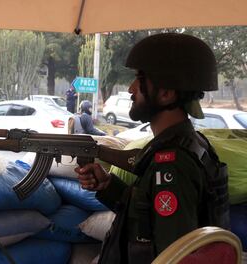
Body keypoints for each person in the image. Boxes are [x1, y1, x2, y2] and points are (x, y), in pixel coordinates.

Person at [76, 33, 229, 263]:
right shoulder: (191, 145)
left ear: (166, 94)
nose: (131, 88)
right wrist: (108, 186)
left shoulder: (173, 164)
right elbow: (148, 219)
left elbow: (173, 256)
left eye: (140, 78)